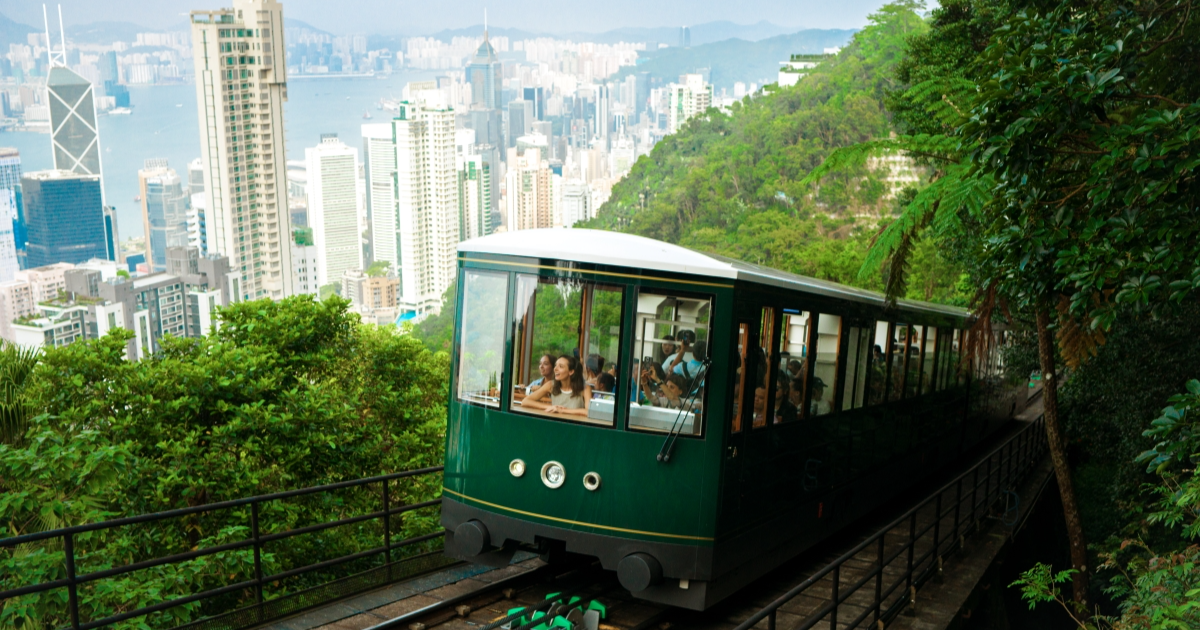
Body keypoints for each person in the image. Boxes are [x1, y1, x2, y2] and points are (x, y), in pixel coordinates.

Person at [522, 355, 591, 416]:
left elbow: (589, 412)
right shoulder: (551, 385)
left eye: (560, 366)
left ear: (571, 372)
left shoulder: (585, 388)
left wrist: (562, 410)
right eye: (555, 365)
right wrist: (550, 407)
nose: (555, 369)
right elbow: (525, 401)